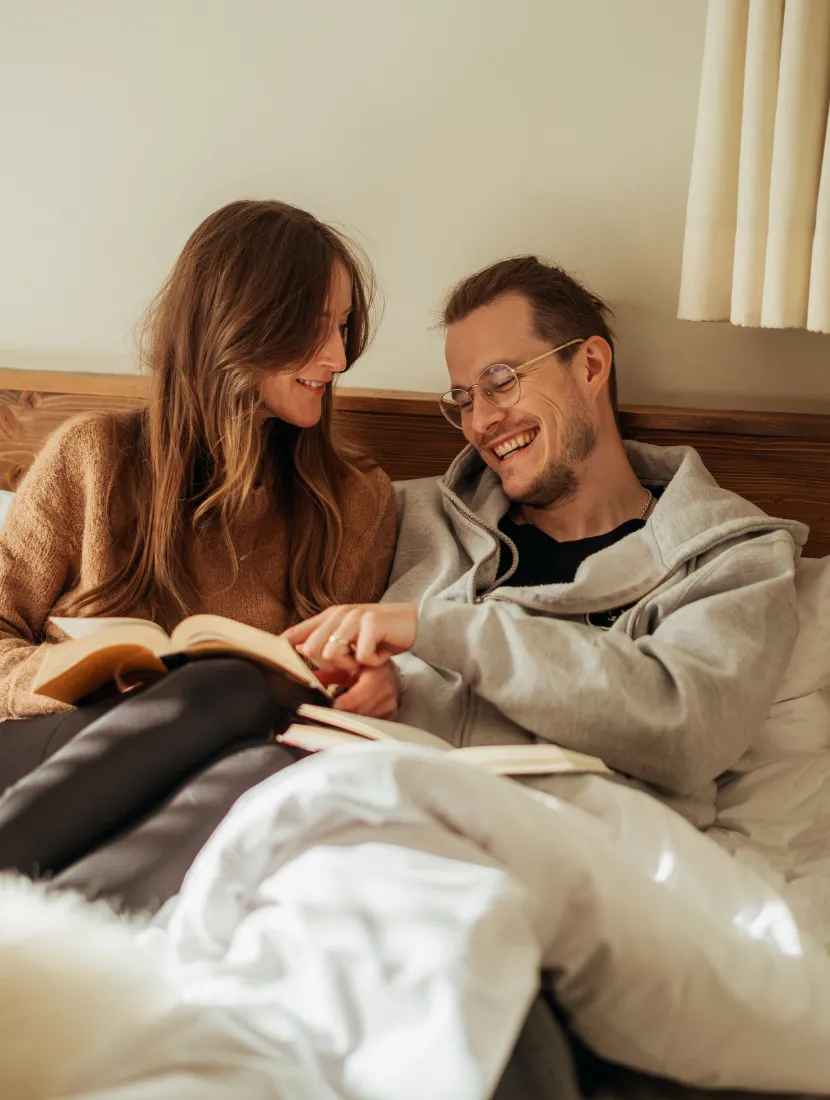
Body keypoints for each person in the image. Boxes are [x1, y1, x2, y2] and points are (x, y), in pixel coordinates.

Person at [285, 255, 805, 826]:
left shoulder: (731, 556)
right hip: (382, 822)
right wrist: (383, 687)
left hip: (583, 852)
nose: (480, 421)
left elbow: (686, 729)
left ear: (590, 365)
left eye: (501, 382)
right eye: (463, 399)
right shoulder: (412, 517)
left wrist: (433, 631)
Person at [0, 199, 396, 906]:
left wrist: (366, 690)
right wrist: (77, 675)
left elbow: (326, 686)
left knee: (268, 770)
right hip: (43, 755)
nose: (337, 357)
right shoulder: (92, 457)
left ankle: (55, 939)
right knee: (224, 688)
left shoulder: (355, 503)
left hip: (221, 770)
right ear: (237, 322)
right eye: (315, 324)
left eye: (342, 327)